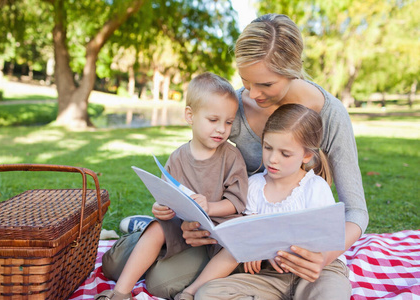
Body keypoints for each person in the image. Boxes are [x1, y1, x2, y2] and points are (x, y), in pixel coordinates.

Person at [103, 13, 369, 299]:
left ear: (294, 69)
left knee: (161, 284)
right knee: (117, 267)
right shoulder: (235, 108)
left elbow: (356, 211)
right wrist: (189, 219)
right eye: (245, 81)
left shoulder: (331, 115)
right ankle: (145, 229)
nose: (252, 94)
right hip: (224, 231)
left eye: (266, 85)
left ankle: (151, 235)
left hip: (256, 246)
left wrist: (325, 256)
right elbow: (200, 162)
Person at [95, 72, 248, 300]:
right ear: (190, 115)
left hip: (212, 235)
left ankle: (166, 268)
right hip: (180, 227)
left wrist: (210, 207)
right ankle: (121, 293)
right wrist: (160, 209)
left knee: (160, 283)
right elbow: (166, 198)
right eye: (213, 120)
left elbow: (236, 203)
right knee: (122, 258)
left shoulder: (232, 157)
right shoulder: (177, 157)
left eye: (228, 122)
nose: (221, 129)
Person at [175, 103, 341, 300]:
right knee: (208, 294)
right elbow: (249, 234)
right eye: (267, 147)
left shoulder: (314, 188)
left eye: (285, 154)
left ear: (306, 155)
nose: (272, 159)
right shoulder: (254, 186)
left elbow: (331, 239)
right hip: (267, 276)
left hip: (314, 273)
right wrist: (254, 249)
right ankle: (191, 292)